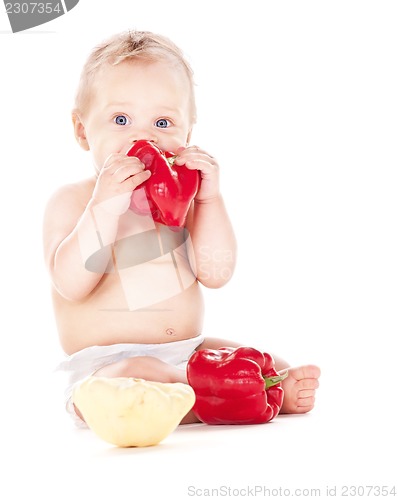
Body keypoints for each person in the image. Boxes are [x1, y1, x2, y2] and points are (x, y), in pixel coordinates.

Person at [43, 30, 320, 427]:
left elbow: (217, 273)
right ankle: (213, 396)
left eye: (163, 121)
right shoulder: (72, 201)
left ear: (187, 134)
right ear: (82, 130)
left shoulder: (183, 202)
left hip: (188, 351)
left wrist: (209, 200)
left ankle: (239, 389)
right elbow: (70, 284)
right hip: (108, 367)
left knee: (262, 359)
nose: (145, 137)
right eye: (121, 119)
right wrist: (104, 207)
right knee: (133, 374)